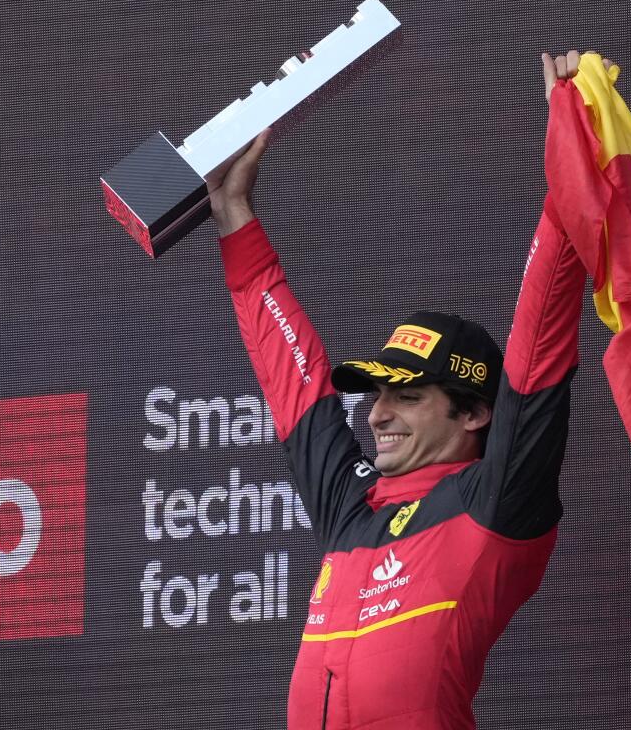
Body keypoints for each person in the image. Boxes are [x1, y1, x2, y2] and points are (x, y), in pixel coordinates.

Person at [206, 52, 602, 729]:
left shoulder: (494, 501)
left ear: (475, 412)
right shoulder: (350, 507)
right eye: (378, 395)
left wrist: (569, 157)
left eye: (408, 396)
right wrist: (234, 214)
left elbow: (538, 349)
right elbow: (293, 379)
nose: (377, 414)